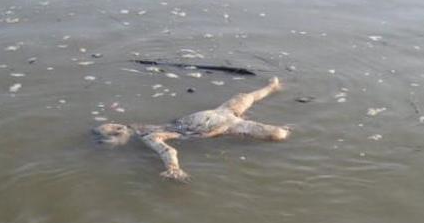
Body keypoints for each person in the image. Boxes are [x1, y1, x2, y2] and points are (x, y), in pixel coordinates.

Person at [93, 76, 289, 182]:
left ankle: (273, 87)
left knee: (246, 96)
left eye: (116, 127)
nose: (119, 128)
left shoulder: (156, 126)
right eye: (117, 131)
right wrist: (173, 169)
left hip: (222, 112)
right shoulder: (151, 135)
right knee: (278, 134)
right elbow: (168, 151)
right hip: (228, 125)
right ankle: (275, 95)